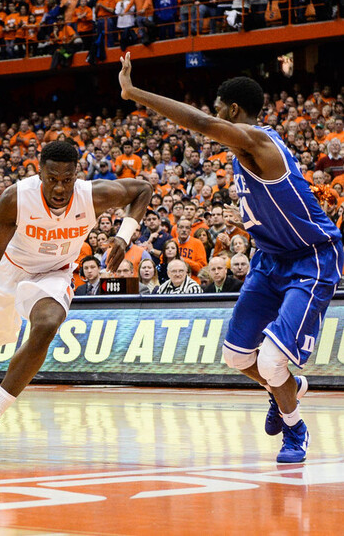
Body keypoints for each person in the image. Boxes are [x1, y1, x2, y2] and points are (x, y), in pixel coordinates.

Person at [120, 54, 343, 463]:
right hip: (271, 258)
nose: (214, 116)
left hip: (311, 258)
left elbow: (200, 124)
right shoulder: (247, 151)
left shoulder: (258, 143)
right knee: (237, 356)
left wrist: (134, 93)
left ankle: (296, 430)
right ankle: (285, 387)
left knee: (273, 360)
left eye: (219, 109)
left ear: (233, 111)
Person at [0, 140, 152, 449]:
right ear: (39, 173)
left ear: (76, 175)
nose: (59, 188)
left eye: (66, 180)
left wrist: (124, 237)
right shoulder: (16, 197)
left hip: (54, 273)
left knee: (48, 323)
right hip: (7, 270)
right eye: (52, 179)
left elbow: (143, 190)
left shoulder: (92, 195)